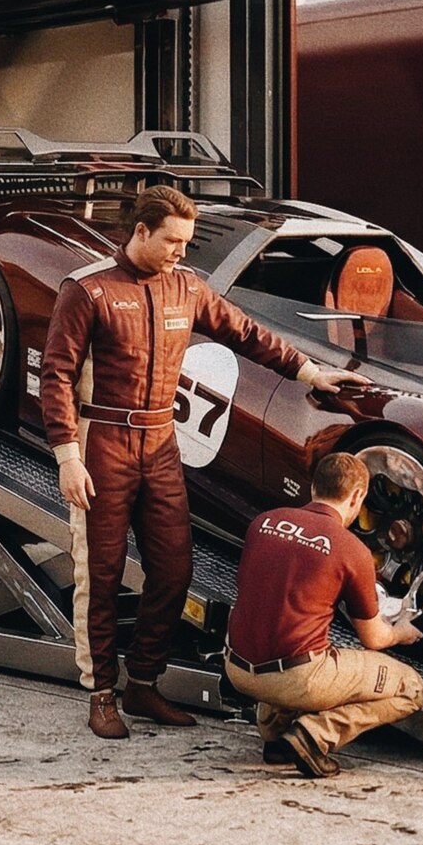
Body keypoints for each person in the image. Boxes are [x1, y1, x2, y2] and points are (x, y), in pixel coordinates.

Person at [42, 185, 364, 740]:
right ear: (140, 232)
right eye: (173, 241)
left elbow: (247, 334)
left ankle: (143, 683)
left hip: (161, 444)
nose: (181, 253)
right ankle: (100, 694)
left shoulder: (187, 289)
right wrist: (68, 457)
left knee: (174, 569)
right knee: (101, 573)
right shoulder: (88, 289)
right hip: (103, 444)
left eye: (187, 243)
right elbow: (56, 377)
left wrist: (311, 373)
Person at [226, 452, 423, 778]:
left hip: (237, 669)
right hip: (297, 678)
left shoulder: (263, 522)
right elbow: (374, 638)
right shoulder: (352, 550)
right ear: (358, 497)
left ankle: (275, 737)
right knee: (411, 688)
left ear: (314, 486)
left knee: (289, 632)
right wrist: (402, 630)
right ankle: (315, 734)